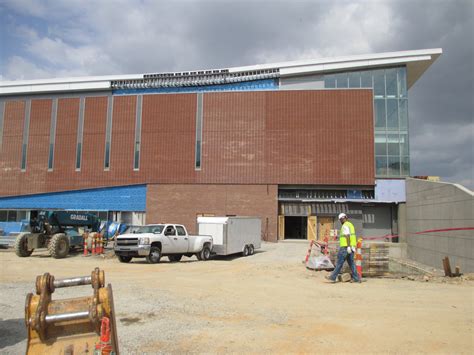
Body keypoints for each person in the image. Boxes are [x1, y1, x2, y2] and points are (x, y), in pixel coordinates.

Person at [325, 213, 362, 283]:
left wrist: (348, 246)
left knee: (339, 263)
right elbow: (352, 236)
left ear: (342, 219)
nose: (340, 221)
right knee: (351, 263)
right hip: (351, 247)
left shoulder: (345, 225)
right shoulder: (350, 224)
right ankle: (356, 278)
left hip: (345, 247)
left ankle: (332, 277)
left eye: (340, 220)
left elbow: (347, 236)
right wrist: (352, 246)